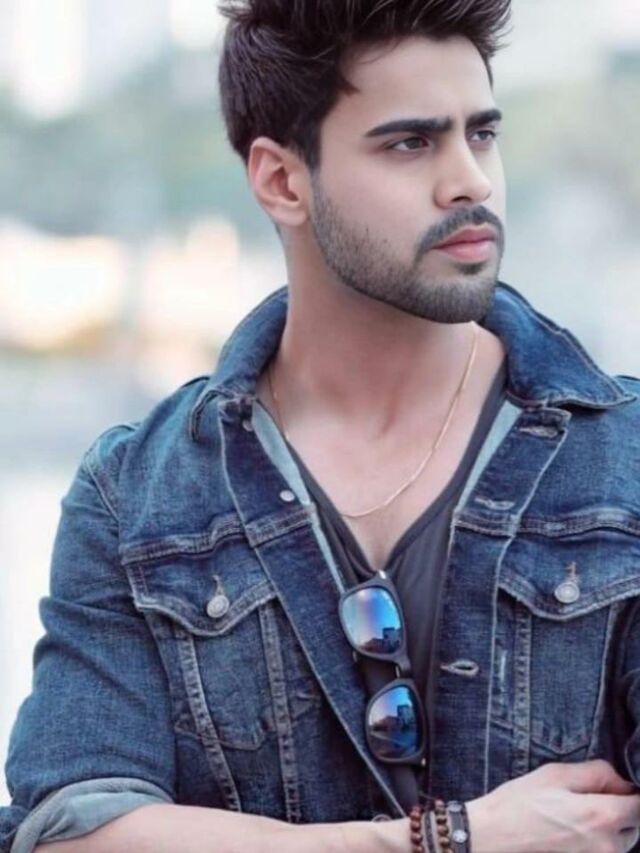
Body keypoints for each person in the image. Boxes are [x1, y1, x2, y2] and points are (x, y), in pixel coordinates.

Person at [2, 0, 640, 851]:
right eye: (410, 143)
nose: (471, 182)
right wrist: (445, 839)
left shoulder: (624, 459)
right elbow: (68, 830)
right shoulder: (134, 496)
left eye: (481, 134)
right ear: (281, 181)